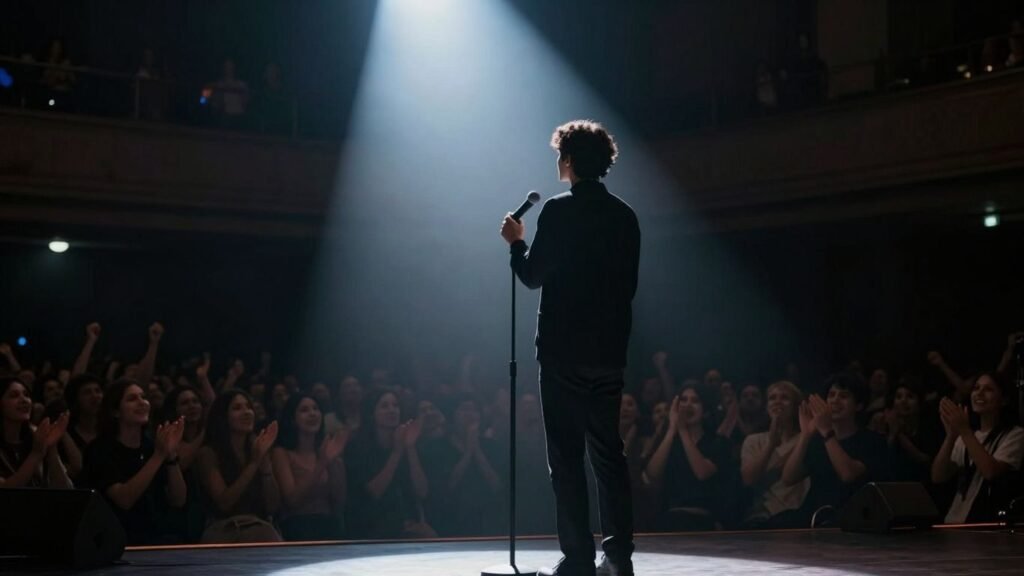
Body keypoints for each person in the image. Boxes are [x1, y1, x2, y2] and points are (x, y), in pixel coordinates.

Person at [500, 119, 639, 576]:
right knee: (608, 455)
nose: (557, 162)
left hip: (562, 355)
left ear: (571, 160)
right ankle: (618, 555)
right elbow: (627, 289)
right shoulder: (626, 216)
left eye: (560, 155)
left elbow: (534, 276)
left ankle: (578, 557)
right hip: (608, 354)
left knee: (565, 456)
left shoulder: (558, 212)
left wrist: (516, 246)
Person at [932, 373, 1023, 523]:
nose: (979, 393)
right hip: (954, 522)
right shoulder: (966, 435)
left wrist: (964, 430)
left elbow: (990, 472)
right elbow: (938, 476)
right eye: (976, 388)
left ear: (1004, 399)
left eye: (988, 389)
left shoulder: (1015, 435)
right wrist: (951, 436)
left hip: (986, 525)